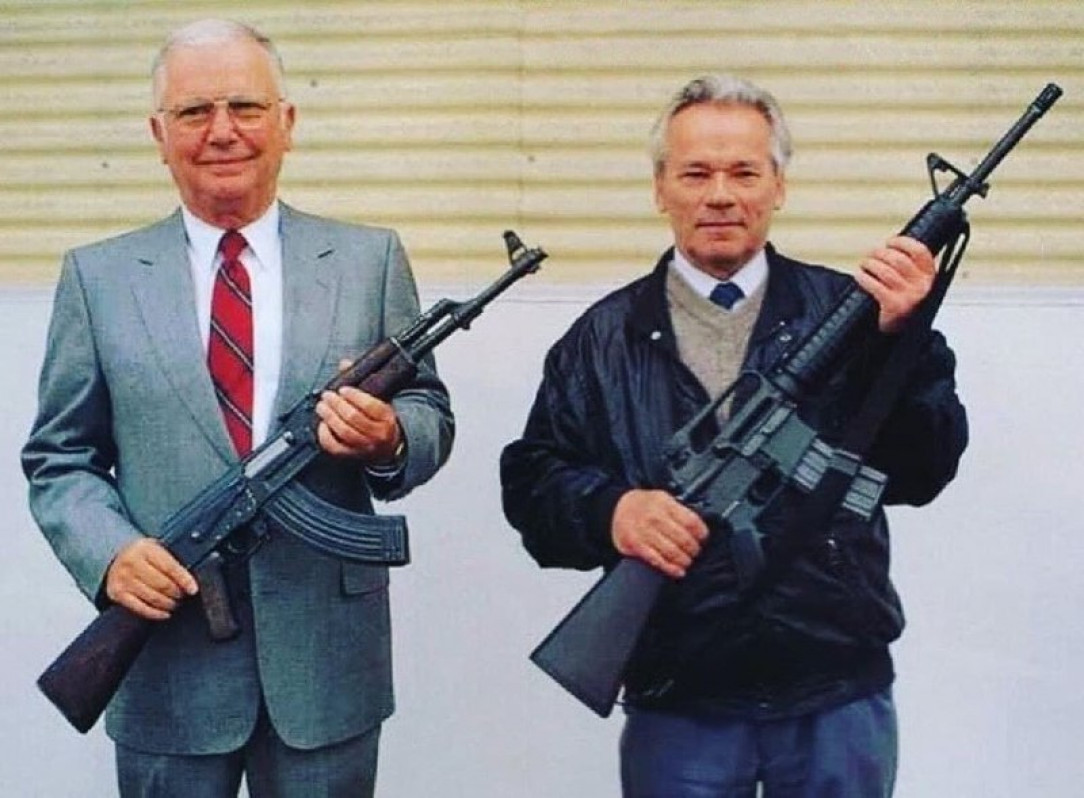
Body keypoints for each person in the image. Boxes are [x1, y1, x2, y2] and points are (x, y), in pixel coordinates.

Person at [500, 74, 968, 797]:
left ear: (778, 186)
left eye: (744, 171)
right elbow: (534, 484)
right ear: (661, 189)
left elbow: (924, 468)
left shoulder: (854, 313)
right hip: (681, 702)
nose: (720, 194)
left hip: (835, 694)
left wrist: (902, 343)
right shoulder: (600, 339)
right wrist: (612, 511)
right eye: (696, 172)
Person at [22, 19, 453, 798]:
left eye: (246, 107)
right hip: (167, 663)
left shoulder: (368, 260)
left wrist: (389, 436)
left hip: (325, 666)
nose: (222, 131)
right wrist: (111, 554)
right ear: (159, 134)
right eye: (194, 112)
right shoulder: (98, 278)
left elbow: (428, 414)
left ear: (287, 123)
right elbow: (60, 460)